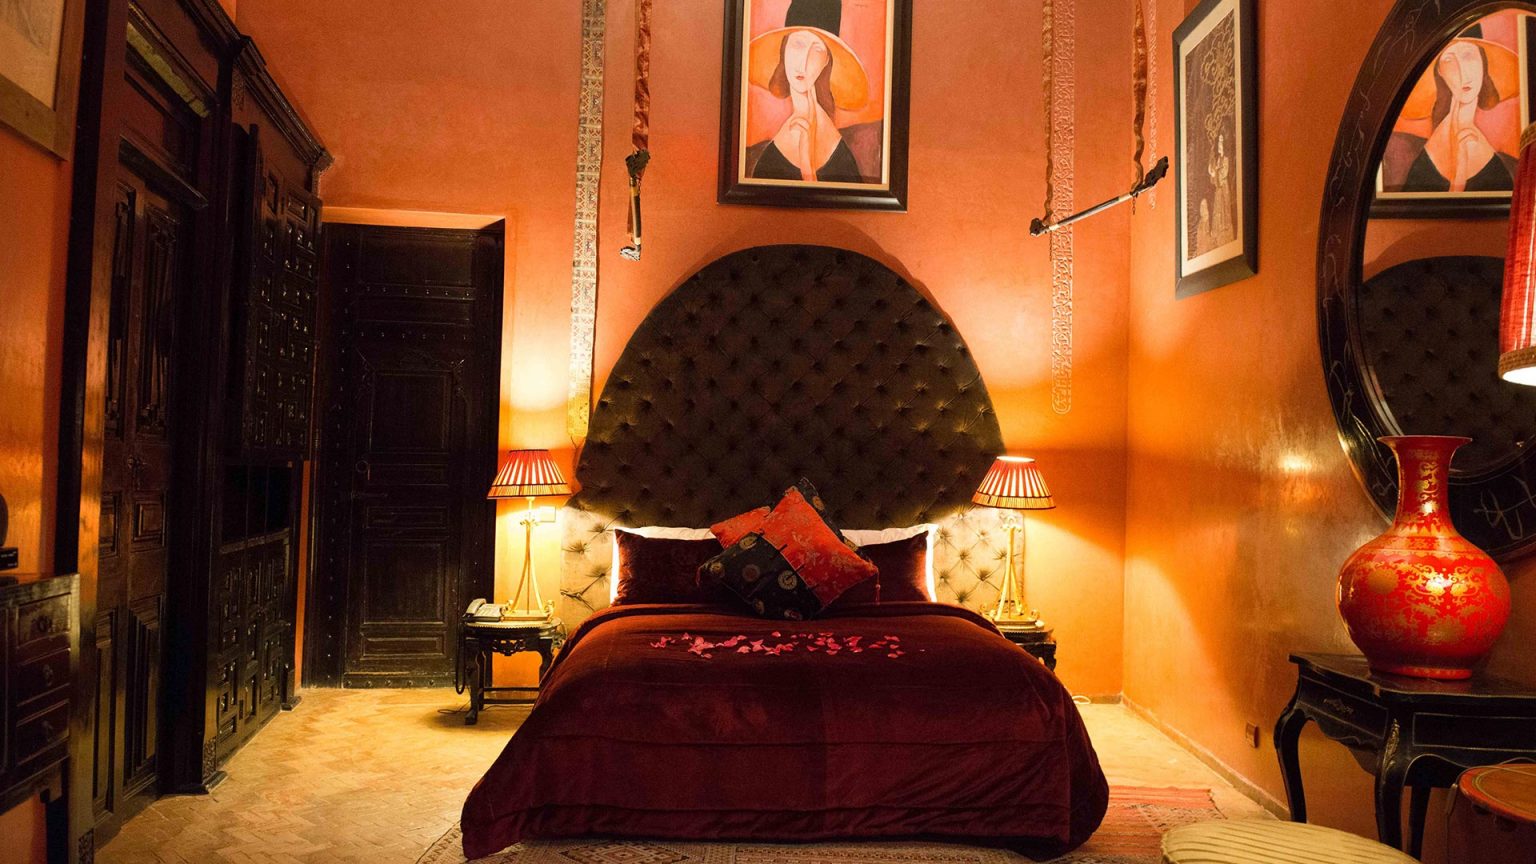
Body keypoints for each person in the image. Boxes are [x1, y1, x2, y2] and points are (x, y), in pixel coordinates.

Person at [745, 0, 873, 184]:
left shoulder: (841, 157)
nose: (803, 62)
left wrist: (808, 169)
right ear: (784, 49)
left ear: (826, 61)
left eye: (817, 49)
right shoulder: (769, 157)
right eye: (798, 44)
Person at [1384, 25, 1519, 194]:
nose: (1463, 72)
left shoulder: (1498, 161)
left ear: (1483, 62)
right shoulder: (1423, 155)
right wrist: (1459, 175)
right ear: (1439, 72)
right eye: (1449, 60)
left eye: (1468, 56)